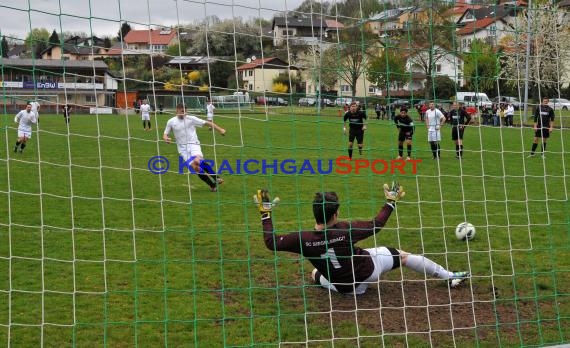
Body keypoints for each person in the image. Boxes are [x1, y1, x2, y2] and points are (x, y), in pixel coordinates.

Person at [255, 183, 470, 296]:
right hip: (369, 271)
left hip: (345, 288)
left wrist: (266, 215)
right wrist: (390, 202)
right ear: (335, 214)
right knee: (403, 256)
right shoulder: (345, 230)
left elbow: (271, 242)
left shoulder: (301, 239)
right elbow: (377, 224)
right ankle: (449, 276)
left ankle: (345, 286)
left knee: (314, 273)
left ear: (314, 213)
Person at [163, 103, 226, 192]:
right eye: (182, 111)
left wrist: (220, 129)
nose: (183, 113)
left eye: (185, 111)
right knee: (195, 167)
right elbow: (165, 134)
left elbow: (207, 123)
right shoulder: (171, 121)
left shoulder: (191, 119)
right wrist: (166, 138)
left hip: (193, 144)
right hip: (182, 149)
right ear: (177, 110)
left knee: (198, 161)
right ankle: (212, 185)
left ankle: (216, 177)